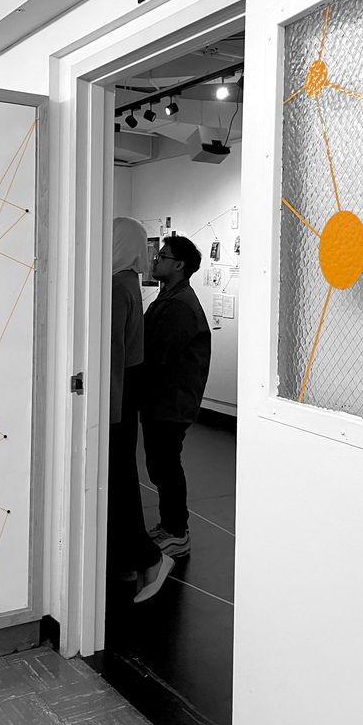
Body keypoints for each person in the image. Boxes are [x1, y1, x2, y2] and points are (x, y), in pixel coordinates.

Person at [109, 217, 174, 603]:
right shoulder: (128, 281)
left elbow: (113, 353)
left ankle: (148, 557)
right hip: (125, 392)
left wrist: (108, 412)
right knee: (120, 477)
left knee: (116, 480)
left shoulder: (117, 287)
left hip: (116, 396)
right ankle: (127, 561)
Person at [140, 235, 211, 558]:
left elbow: (156, 353)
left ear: (180, 265)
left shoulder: (180, 305)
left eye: (163, 256)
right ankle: (170, 526)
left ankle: (177, 533)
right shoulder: (169, 298)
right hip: (162, 400)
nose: (155, 260)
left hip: (171, 402)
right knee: (160, 465)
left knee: (165, 466)